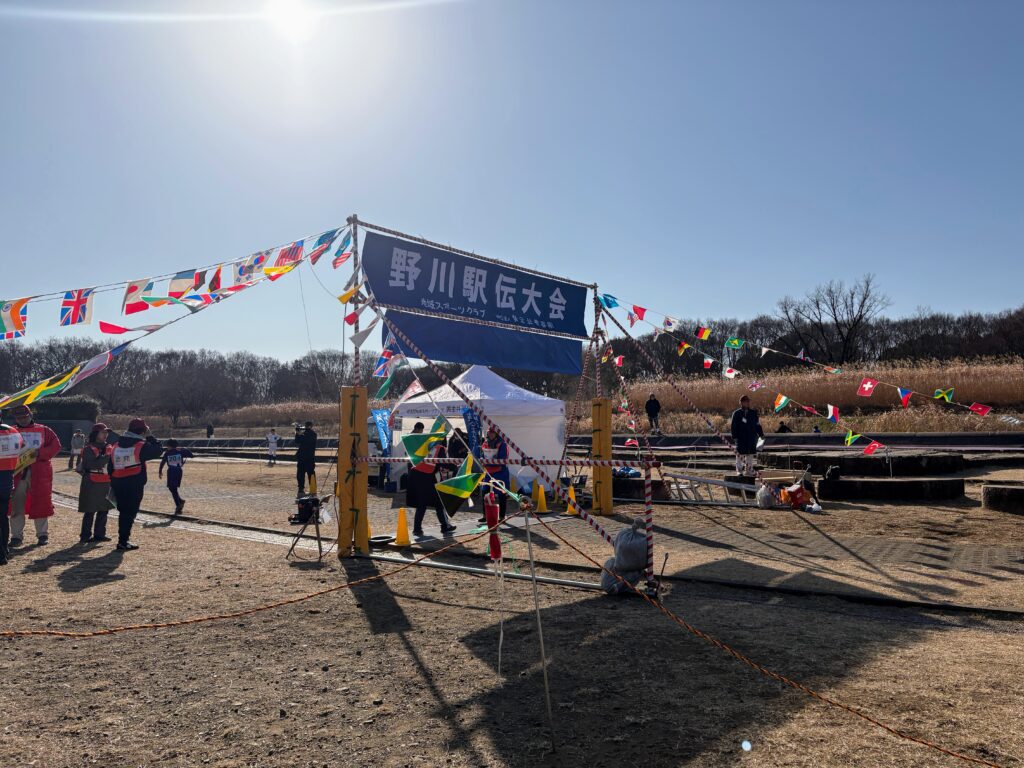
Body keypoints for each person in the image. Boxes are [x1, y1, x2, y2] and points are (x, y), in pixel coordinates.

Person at [8, 404, 60, 548]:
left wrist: (39, 453)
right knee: (16, 504)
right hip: (17, 473)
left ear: (30, 415)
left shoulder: (44, 430)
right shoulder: (11, 431)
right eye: (19, 418)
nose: (22, 420)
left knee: (41, 502)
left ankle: (42, 534)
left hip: (40, 471)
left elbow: (56, 446)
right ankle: (16, 536)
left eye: (24, 417)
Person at [109, 418, 163, 551]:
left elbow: (110, 466)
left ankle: (122, 539)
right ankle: (123, 540)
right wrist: (150, 436)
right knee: (130, 512)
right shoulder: (140, 445)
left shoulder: (116, 445)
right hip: (134, 483)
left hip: (118, 481)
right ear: (143, 431)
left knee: (123, 512)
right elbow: (158, 450)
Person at [405, 422, 455, 537]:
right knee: (434, 503)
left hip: (417, 475)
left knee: (426, 503)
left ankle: (421, 528)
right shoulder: (440, 448)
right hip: (425, 476)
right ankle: (442, 527)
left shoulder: (425, 444)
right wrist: (456, 466)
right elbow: (444, 463)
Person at [77, 423, 114, 544]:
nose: (105, 435)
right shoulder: (89, 448)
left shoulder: (109, 447)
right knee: (90, 509)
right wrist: (106, 457)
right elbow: (90, 464)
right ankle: (85, 535)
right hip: (92, 480)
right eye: (103, 432)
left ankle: (100, 534)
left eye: (106, 432)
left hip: (106, 480)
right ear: (95, 434)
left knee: (104, 509)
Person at [0, 419, 25, 564]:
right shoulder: (14, 432)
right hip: (7, 478)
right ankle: (4, 550)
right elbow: (23, 448)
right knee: (3, 517)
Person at [481, 425, 510, 524]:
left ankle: (502, 516)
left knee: (502, 495)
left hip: (500, 472)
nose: (490, 434)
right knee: (484, 493)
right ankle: (485, 515)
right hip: (488, 472)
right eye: (489, 432)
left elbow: (502, 459)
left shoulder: (502, 444)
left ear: (496, 433)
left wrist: (488, 462)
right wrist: (482, 460)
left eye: (492, 432)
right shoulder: (485, 443)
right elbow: (482, 454)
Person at [729, 395, 763, 477]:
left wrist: (761, 434)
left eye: (748, 401)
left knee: (750, 454)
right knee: (740, 454)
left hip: (751, 437)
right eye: (746, 401)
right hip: (741, 437)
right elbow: (733, 425)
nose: (748, 403)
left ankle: (749, 470)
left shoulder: (753, 413)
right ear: (741, 402)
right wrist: (734, 436)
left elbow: (757, 424)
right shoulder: (737, 413)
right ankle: (739, 471)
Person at [159, 439, 194, 514]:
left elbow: (162, 462)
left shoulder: (169, 452)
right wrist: (183, 449)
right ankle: (180, 501)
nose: (167, 447)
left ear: (169, 446)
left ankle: (178, 505)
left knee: (173, 488)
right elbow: (191, 455)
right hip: (176, 471)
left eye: (167, 446)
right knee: (172, 488)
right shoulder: (178, 451)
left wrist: (160, 471)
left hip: (173, 471)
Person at [294, 421, 318, 496]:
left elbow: (304, 439)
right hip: (305, 457)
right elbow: (297, 441)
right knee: (301, 474)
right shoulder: (305, 433)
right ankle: (301, 489)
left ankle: (312, 489)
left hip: (308, 457)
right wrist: (297, 432)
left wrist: (299, 432)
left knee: (309, 474)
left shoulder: (312, 434)